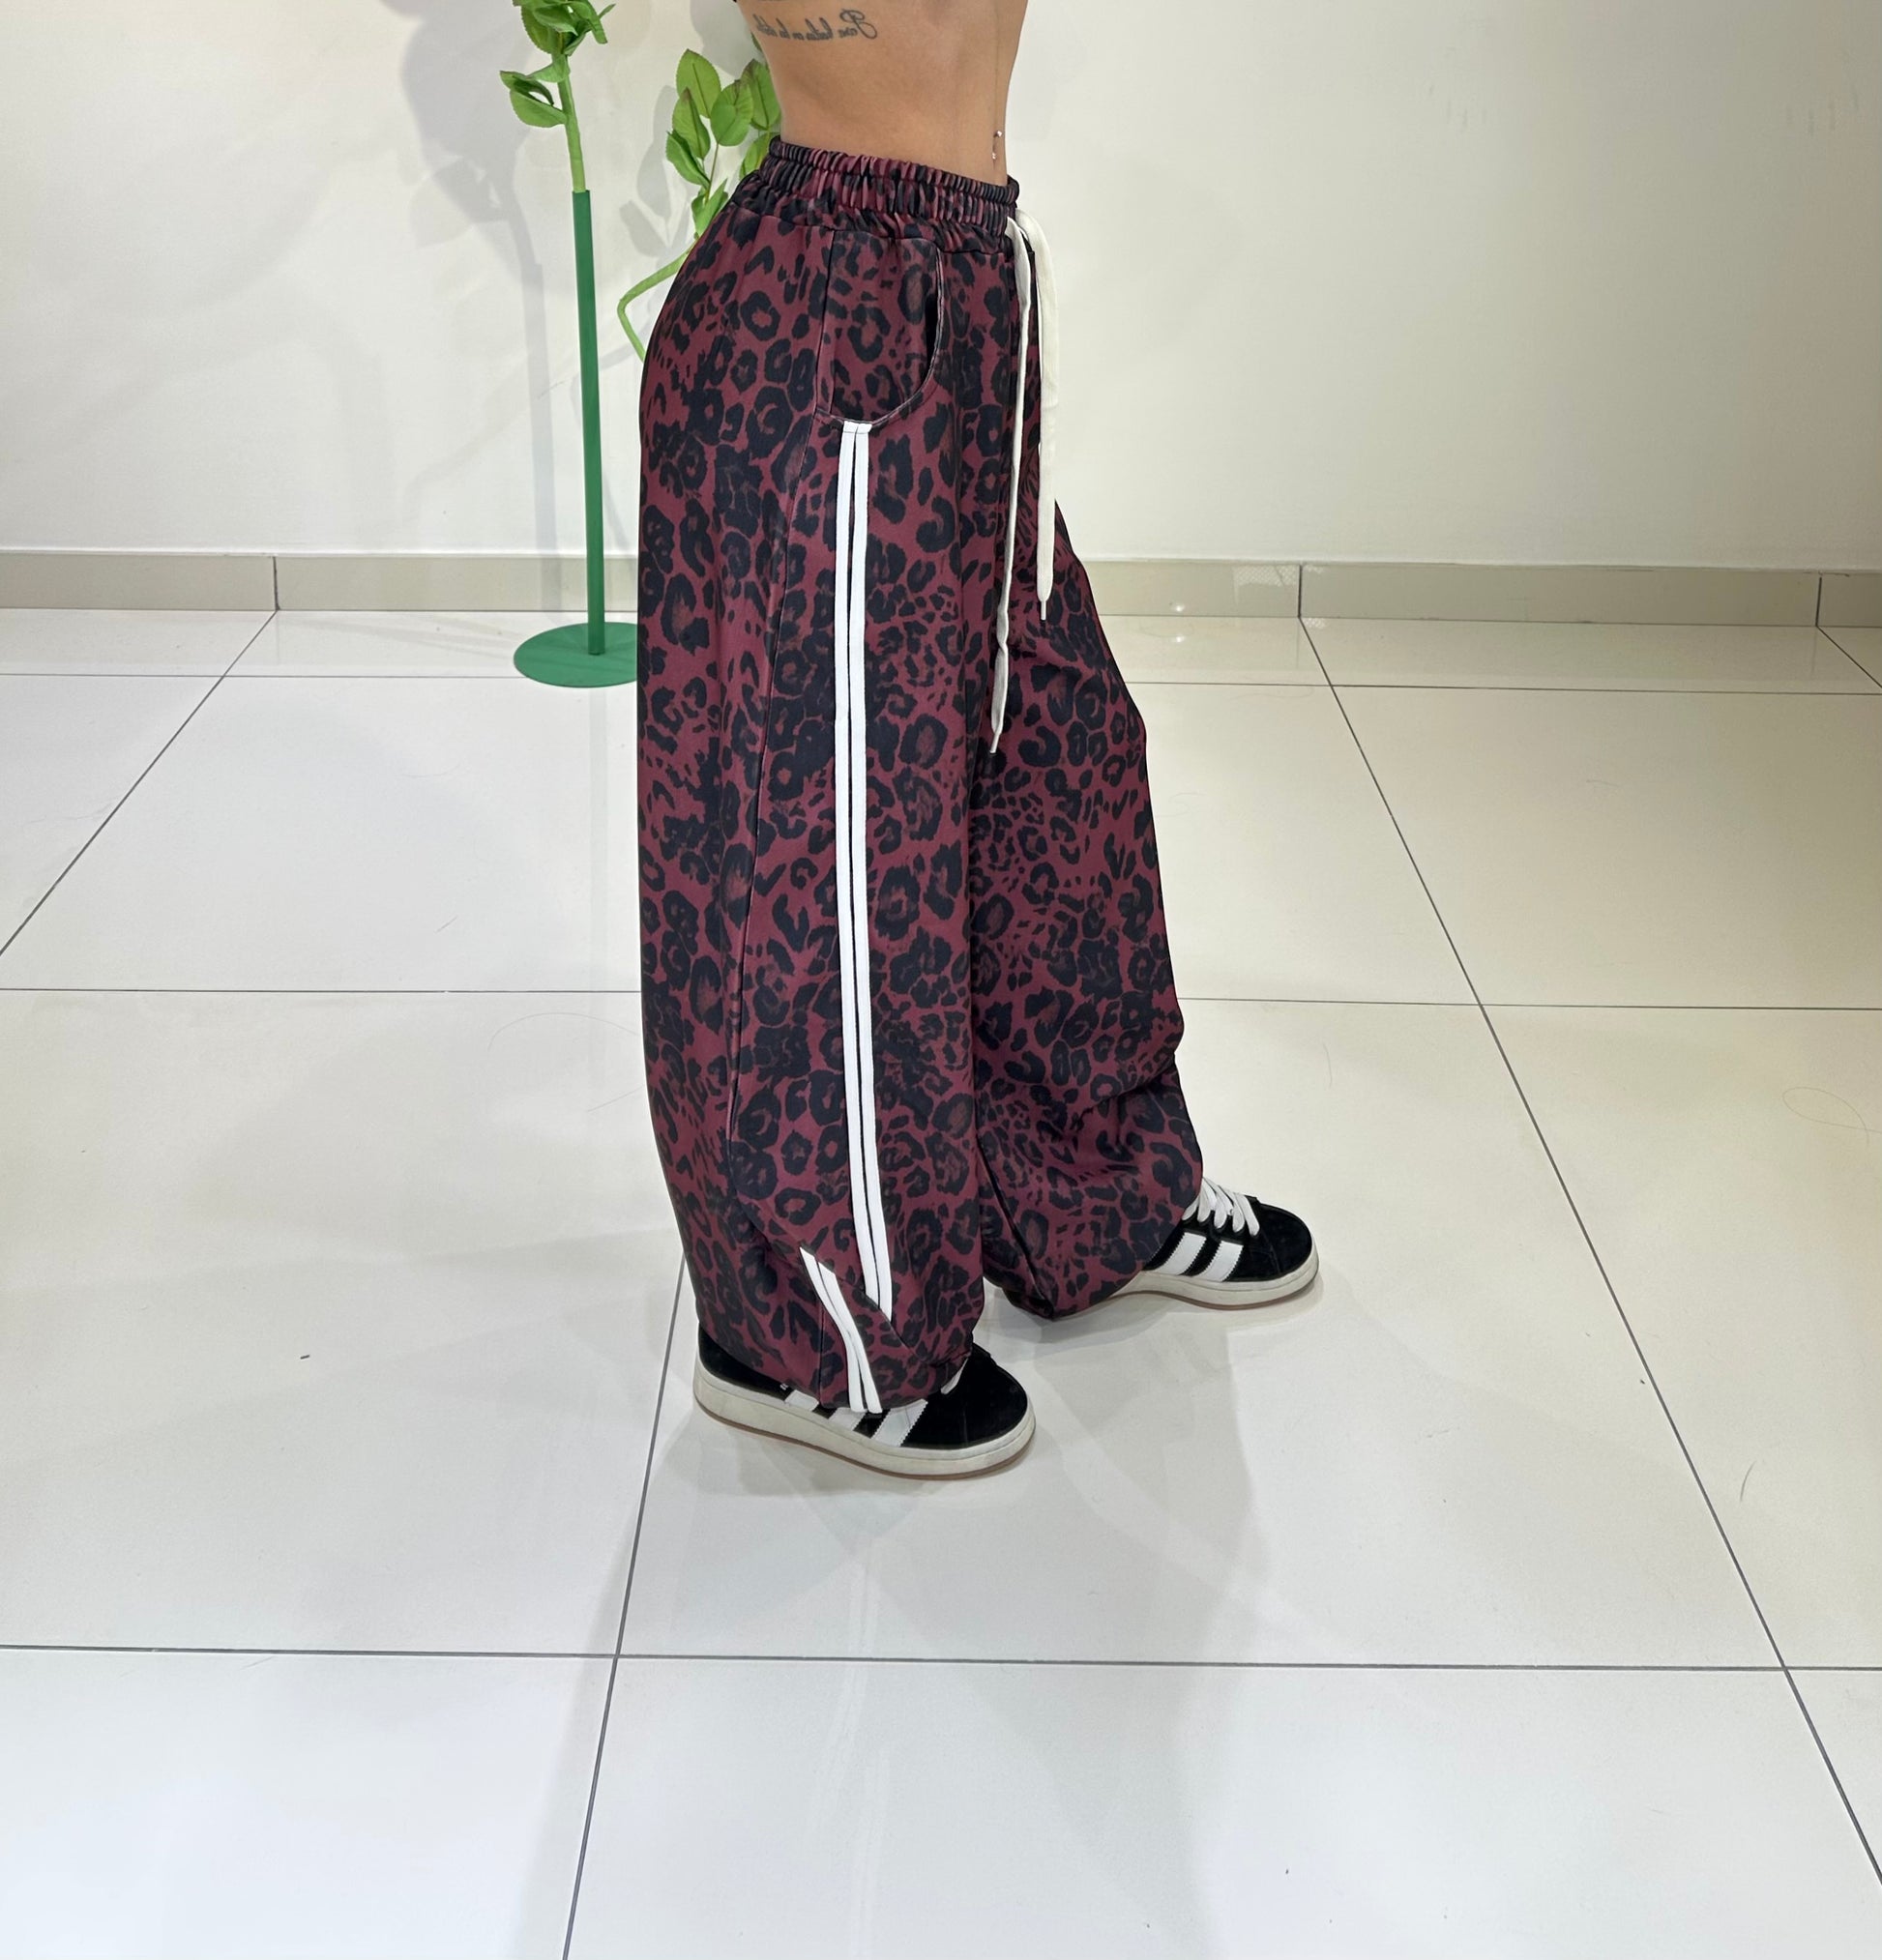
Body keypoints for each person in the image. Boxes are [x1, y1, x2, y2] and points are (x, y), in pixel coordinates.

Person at [635, 0, 1317, 1478]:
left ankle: (1088, 1192)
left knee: (1059, 758)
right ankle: (805, 1339)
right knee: (830, 855)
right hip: (825, 313)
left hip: (961, 287)